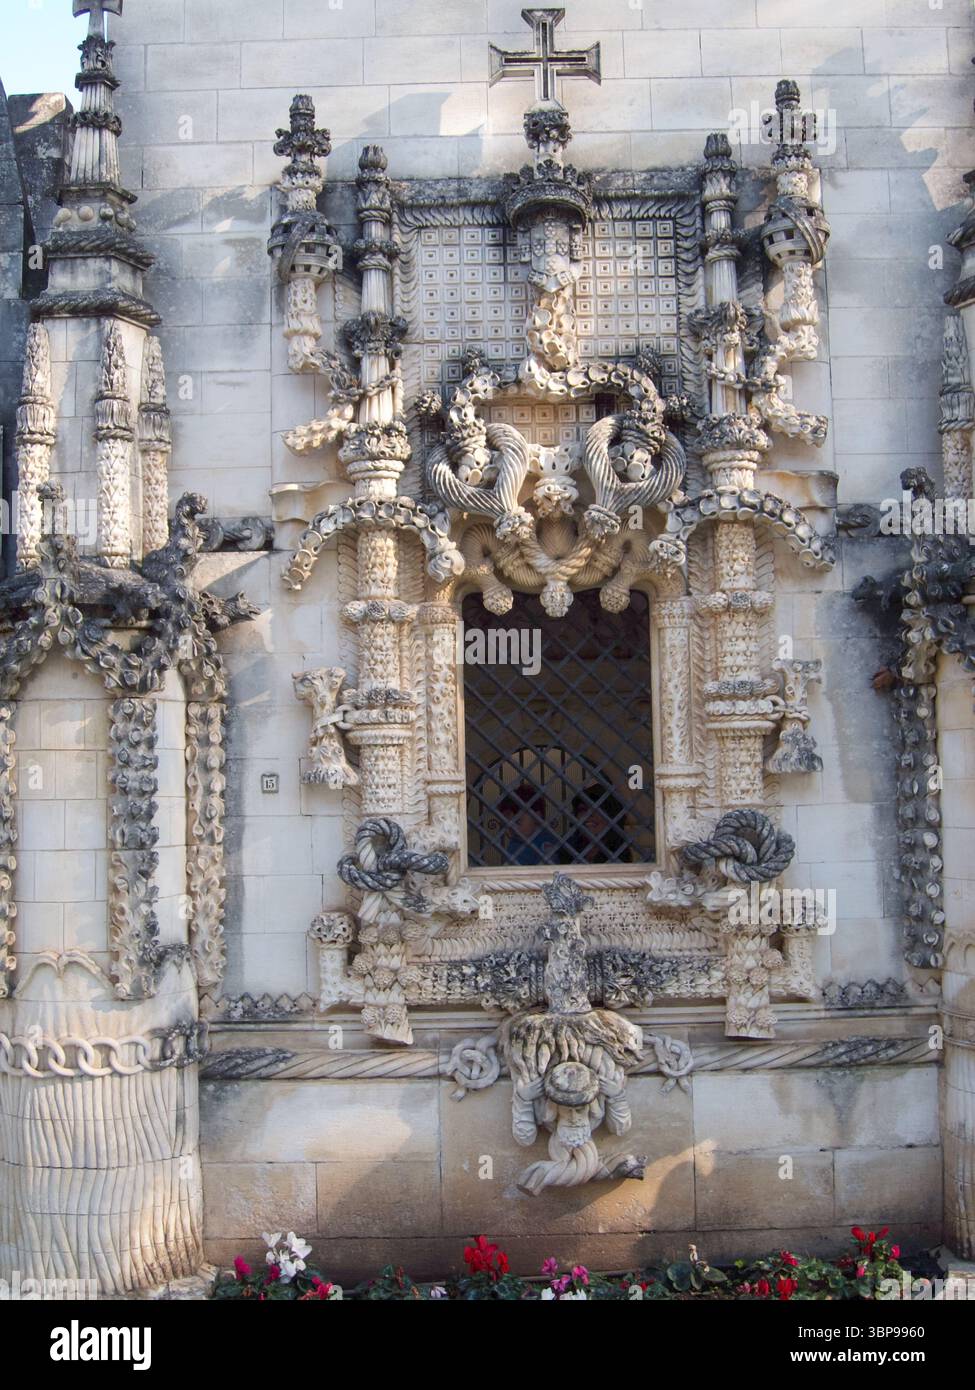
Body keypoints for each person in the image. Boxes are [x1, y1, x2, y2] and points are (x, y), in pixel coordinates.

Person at [497, 783, 558, 865]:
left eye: (518, 821)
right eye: (506, 824)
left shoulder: (544, 841)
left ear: (537, 816)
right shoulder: (515, 841)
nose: (512, 828)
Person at [567, 786, 629, 863]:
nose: (589, 814)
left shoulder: (624, 853)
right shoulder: (565, 850)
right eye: (583, 810)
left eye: (598, 810)